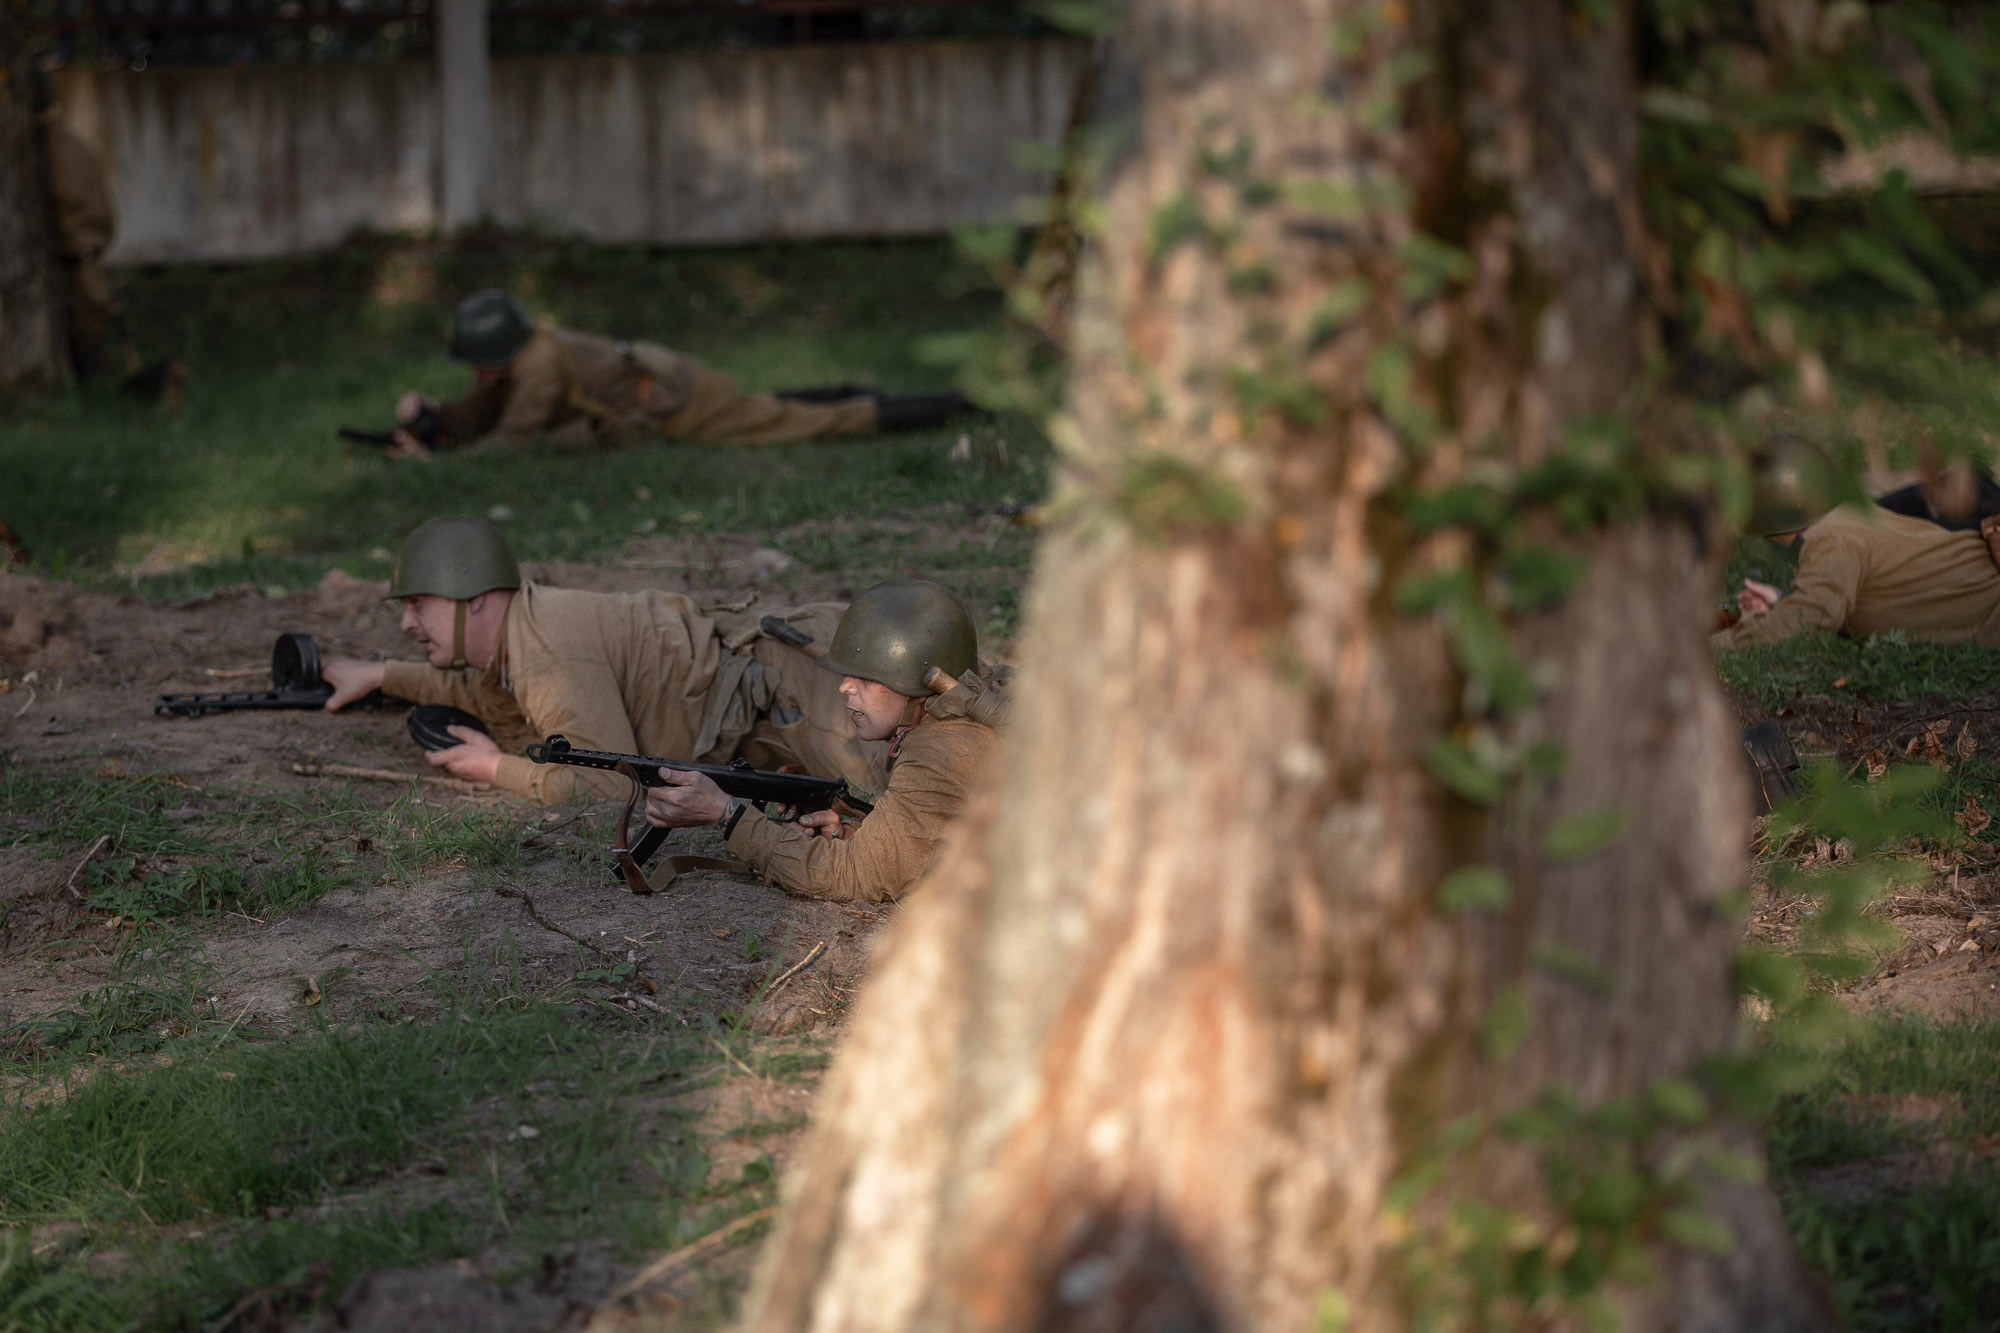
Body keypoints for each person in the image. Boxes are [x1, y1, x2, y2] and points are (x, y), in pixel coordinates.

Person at [319, 514, 886, 803]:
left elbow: (608, 787)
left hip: (805, 683)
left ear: (479, 600)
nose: (405, 622)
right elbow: (481, 694)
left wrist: (493, 767)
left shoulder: (545, 653)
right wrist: (382, 674)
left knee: (923, 805)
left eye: (418, 604)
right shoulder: (522, 633)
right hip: (779, 689)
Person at [642, 578, 1008, 903]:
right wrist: (862, 830)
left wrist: (725, 815)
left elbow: (850, 877)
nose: (845, 687)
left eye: (866, 677)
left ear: (921, 685)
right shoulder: (986, 698)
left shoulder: (943, 751)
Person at [385, 290, 969, 456]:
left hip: (679, 402)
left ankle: (954, 406)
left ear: (495, 353)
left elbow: (513, 439)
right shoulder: (524, 352)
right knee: (783, 407)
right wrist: (437, 418)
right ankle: (860, 394)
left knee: (809, 425)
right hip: (668, 383)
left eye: (475, 363)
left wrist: (438, 459)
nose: (474, 373)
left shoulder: (534, 367)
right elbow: (485, 411)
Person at [1715, 442, 2000, 650]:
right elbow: (1831, 605)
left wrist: (1712, 647)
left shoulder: (1832, 539)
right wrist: (1781, 604)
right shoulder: (1852, 518)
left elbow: (1805, 623)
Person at [36, 70, 125, 380]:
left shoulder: (53, 149)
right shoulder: (65, 144)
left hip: (76, 262)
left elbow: (68, 205)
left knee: (87, 335)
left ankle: (98, 399)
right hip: (82, 258)